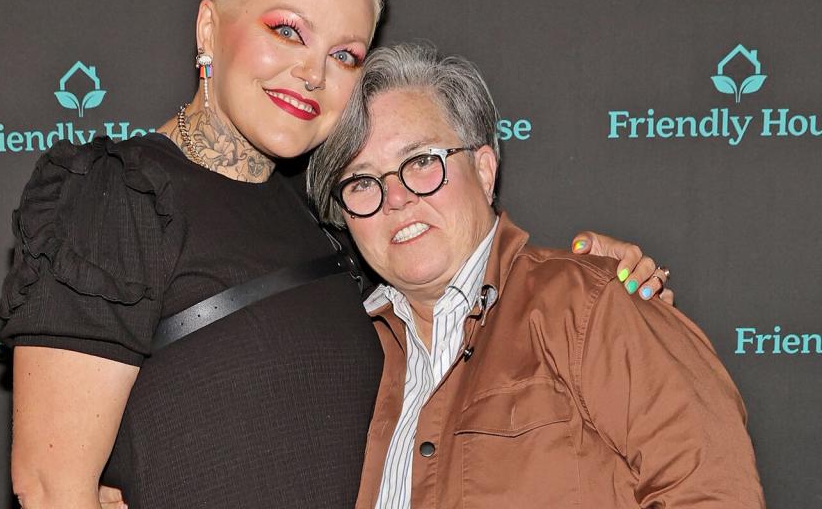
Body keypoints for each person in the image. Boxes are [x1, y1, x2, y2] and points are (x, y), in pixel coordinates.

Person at [0, 0, 669, 509]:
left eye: (344, 54)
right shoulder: (124, 197)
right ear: (209, 29)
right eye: (286, 30)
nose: (311, 73)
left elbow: (458, 309)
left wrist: (602, 289)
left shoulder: (325, 211)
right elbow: (52, 483)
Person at [307, 43, 765, 509]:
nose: (397, 197)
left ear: (484, 171)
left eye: (422, 160)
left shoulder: (592, 306)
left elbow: (713, 491)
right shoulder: (350, 358)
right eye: (363, 181)